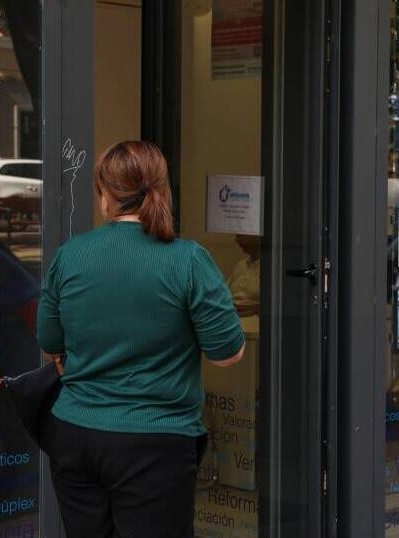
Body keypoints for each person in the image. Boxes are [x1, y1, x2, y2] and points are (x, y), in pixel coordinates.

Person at [37, 140, 245, 538]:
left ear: (106, 197)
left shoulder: (71, 255)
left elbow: (49, 343)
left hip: (76, 435)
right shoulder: (188, 259)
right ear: (161, 191)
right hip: (157, 441)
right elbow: (227, 354)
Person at [227, 233, 261, 316]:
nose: (236, 241)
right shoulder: (240, 265)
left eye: (240, 235)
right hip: (231, 315)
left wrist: (254, 309)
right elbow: (224, 294)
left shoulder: (273, 269)